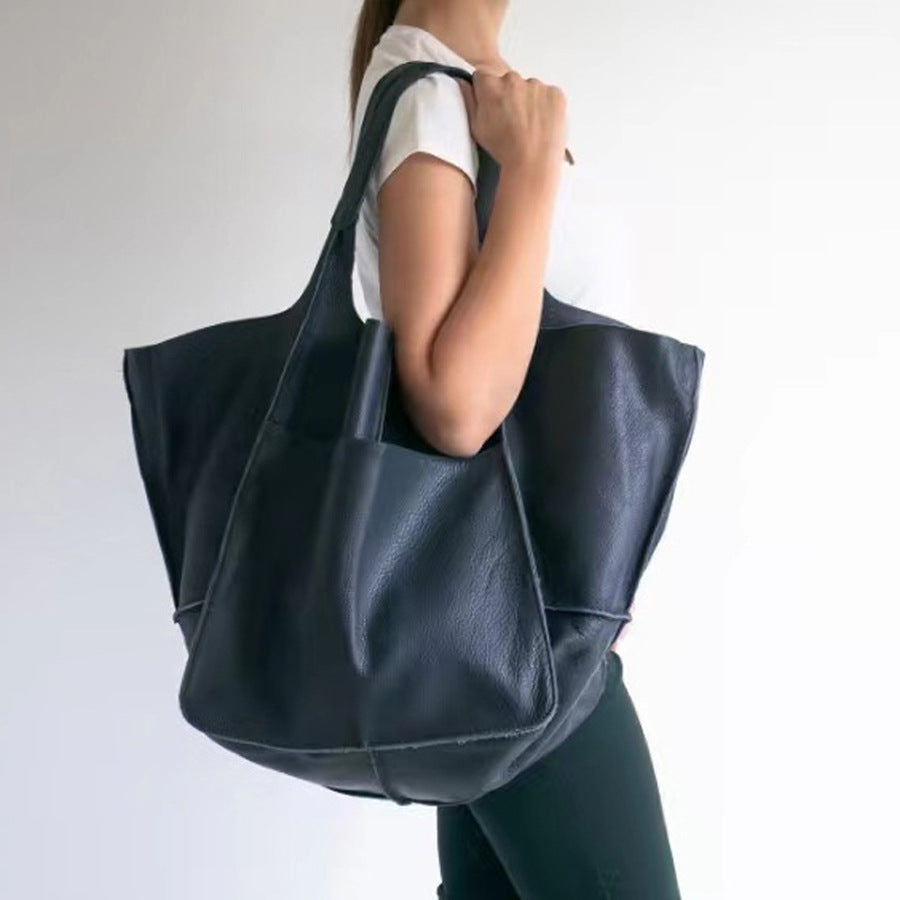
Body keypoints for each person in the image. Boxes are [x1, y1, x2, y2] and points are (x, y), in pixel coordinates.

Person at [347, 2, 682, 896]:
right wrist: (532, 170)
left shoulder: (463, 88)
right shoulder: (426, 95)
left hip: (519, 621)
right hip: (519, 634)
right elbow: (454, 407)